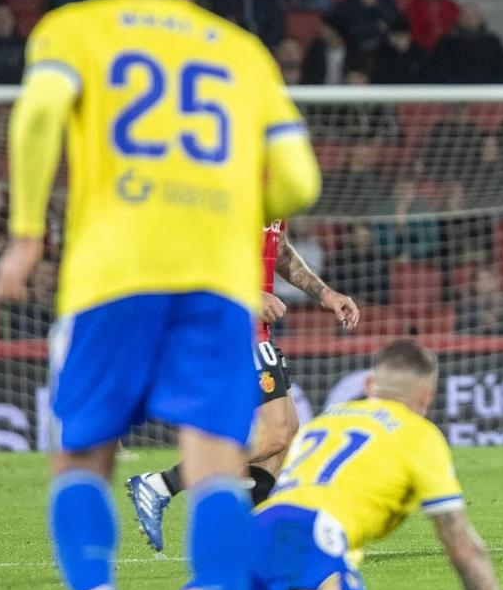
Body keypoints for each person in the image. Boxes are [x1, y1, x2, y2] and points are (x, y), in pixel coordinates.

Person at [0, 0, 323, 590]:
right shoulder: (239, 53)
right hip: (213, 286)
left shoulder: (74, 29)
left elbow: (35, 120)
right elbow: (300, 178)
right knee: (218, 466)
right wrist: (223, 205)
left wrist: (26, 234)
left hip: (112, 272)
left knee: (82, 453)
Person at [5, 341, 503, 590]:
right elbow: (462, 548)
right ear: (425, 399)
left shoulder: (328, 420)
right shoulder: (420, 435)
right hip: (315, 532)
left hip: (259, 524)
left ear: (371, 386)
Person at [129, 214, 359, 546]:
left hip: (252, 327)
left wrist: (323, 293)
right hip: (224, 324)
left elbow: (277, 248)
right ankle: (160, 485)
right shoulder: (228, 188)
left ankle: (252, 540)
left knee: (286, 436)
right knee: (276, 432)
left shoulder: (274, 192)